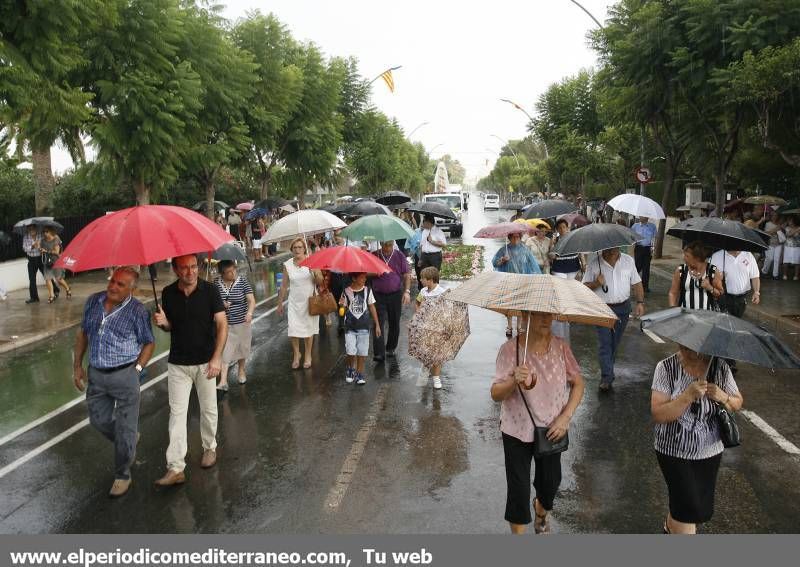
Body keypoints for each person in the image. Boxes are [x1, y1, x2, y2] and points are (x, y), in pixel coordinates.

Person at [490, 311, 585, 534]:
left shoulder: (561, 347)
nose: (545, 320)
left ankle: (541, 512)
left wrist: (565, 418)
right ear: (525, 316)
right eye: (539, 315)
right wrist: (514, 379)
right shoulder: (510, 350)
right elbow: (495, 393)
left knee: (549, 485)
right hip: (516, 430)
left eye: (549, 315)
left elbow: (579, 383)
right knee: (518, 491)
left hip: (552, 430)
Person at [72, 266, 155, 497]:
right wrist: (77, 366)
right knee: (98, 421)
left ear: (131, 289)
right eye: (112, 281)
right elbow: (83, 334)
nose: (113, 287)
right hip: (97, 375)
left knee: (126, 429)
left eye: (120, 284)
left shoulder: (137, 311)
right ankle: (128, 440)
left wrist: (137, 369)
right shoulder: (93, 301)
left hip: (125, 375)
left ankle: (122, 474)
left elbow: (149, 342)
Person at [153, 254, 228, 486]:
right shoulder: (167, 293)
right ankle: (175, 467)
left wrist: (216, 358)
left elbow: (222, 324)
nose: (190, 272)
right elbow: (173, 327)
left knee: (208, 409)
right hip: (178, 364)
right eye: (184, 268)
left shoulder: (209, 291)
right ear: (175, 269)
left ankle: (210, 447)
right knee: (177, 414)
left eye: (194, 267)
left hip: (206, 362)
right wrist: (164, 323)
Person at [651, 347, 742, 534]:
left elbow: (737, 403)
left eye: (694, 348)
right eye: (683, 345)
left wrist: (722, 396)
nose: (688, 351)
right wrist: (687, 396)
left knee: (695, 505)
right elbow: (659, 414)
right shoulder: (666, 368)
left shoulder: (719, 367)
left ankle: (670, 524)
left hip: (709, 451)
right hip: (672, 450)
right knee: (690, 510)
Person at [583, 247, 646, 392]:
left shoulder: (628, 261)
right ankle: (607, 377)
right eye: (609, 248)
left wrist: (640, 302)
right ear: (603, 248)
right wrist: (596, 284)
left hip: (623, 308)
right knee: (605, 343)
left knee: (614, 343)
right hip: (602, 309)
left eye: (616, 248)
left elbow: (637, 282)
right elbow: (584, 286)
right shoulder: (594, 263)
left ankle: (608, 368)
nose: (613, 251)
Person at [709, 248, 760, 374]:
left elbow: (755, 277)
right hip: (723, 298)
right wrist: (718, 277)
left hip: (741, 300)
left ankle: (721, 359)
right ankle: (729, 362)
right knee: (727, 328)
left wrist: (756, 292)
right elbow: (708, 276)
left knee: (733, 330)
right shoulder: (717, 256)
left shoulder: (748, 255)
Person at [276, 238, 323, 369]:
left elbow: (320, 282)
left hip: (310, 302)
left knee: (308, 330)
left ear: (304, 248)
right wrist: (279, 304)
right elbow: (284, 286)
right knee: (293, 329)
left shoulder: (312, 261)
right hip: (294, 303)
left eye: (300, 247)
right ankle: (297, 354)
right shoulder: (288, 264)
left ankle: (308, 354)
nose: (297, 250)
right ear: (292, 250)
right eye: (295, 247)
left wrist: (314, 272)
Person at [214, 260, 255, 398]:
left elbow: (251, 300)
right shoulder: (215, 283)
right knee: (225, 351)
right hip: (224, 324)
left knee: (242, 348)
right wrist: (220, 304)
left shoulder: (242, 281)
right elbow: (212, 301)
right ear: (222, 273)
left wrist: (249, 313)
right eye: (229, 272)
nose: (233, 273)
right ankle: (223, 381)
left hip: (242, 322)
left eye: (234, 270)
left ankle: (241, 370)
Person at [492, 233, 541, 337]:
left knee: (521, 303)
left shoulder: (525, 250)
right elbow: (494, 263)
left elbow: (532, 264)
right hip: (509, 281)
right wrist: (502, 260)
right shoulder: (503, 250)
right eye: (513, 237)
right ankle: (509, 326)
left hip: (523, 281)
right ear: (509, 238)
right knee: (509, 303)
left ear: (520, 237)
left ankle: (519, 326)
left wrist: (534, 276)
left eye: (517, 237)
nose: (515, 239)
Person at [371, 240, 412, 362]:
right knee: (378, 322)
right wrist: (374, 273)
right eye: (384, 245)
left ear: (392, 244)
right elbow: (365, 273)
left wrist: (407, 291)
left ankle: (390, 348)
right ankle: (379, 352)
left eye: (389, 245)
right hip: (378, 294)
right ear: (381, 244)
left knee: (394, 322)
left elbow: (406, 274)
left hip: (395, 294)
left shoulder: (399, 255)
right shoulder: (374, 255)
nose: (387, 248)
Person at [340, 272, 380, 385]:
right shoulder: (346, 291)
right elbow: (341, 310)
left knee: (362, 352)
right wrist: (342, 306)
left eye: (365, 277)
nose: (365, 279)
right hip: (350, 327)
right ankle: (350, 369)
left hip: (364, 327)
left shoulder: (368, 290)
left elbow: (372, 307)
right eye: (362, 277)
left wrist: (377, 324)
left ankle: (359, 373)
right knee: (350, 351)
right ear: (354, 278)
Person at [549, 219, 584, 343]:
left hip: (573, 267)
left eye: (564, 227)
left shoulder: (573, 239)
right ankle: (561, 313)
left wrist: (583, 264)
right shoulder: (555, 240)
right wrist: (553, 245)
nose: (563, 229)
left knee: (571, 292)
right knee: (561, 291)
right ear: (557, 229)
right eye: (560, 228)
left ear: (567, 227)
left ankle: (569, 313)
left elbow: (580, 252)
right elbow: (551, 256)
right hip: (559, 268)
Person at [415, 266, 447, 389]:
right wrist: (419, 314)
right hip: (425, 327)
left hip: (437, 327)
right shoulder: (423, 291)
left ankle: (436, 378)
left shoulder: (442, 292)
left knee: (437, 354)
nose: (420, 280)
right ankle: (426, 367)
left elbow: (445, 309)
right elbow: (417, 303)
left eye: (422, 278)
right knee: (426, 351)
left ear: (430, 279)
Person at [668, 241, 723, 310]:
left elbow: (720, 294)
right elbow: (673, 293)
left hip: (708, 316)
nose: (684, 258)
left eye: (687, 256)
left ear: (697, 258)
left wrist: (709, 287)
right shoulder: (681, 270)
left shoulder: (713, 271)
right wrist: (673, 309)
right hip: (685, 314)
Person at [22, 225, 58, 304]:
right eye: (30, 228)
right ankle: (34, 298)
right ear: (28, 229)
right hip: (31, 260)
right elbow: (24, 248)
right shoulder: (25, 237)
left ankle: (55, 290)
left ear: (36, 228)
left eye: (33, 228)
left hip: (40, 258)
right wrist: (32, 246)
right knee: (32, 279)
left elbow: (46, 244)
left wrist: (40, 246)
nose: (32, 230)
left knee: (47, 276)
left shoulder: (41, 235)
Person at [40, 227, 72, 302]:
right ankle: (51, 295)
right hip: (47, 262)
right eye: (43, 232)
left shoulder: (56, 239)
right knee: (47, 278)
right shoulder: (42, 241)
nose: (45, 233)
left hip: (56, 261)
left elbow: (57, 252)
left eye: (46, 231)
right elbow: (41, 250)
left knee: (59, 279)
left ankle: (67, 289)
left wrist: (46, 251)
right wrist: (41, 250)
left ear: (51, 231)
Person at [418, 215, 446, 289]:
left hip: (435, 256)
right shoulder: (424, 231)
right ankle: (424, 292)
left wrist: (432, 241)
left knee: (434, 275)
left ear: (428, 222)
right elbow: (422, 245)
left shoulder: (438, 231)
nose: (422, 224)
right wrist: (420, 258)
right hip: (424, 256)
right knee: (424, 274)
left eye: (424, 222)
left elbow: (443, 244)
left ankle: (435, 292)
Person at [631, 216, 657, 293]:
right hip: (638, 248)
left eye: (643, 215)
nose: (641, 217)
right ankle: (634, 282)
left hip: (647, 248)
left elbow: (654, 238)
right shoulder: (635, 226)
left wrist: (653, 248)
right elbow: (631, 237)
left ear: (647, 217)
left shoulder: (652, 226)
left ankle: (645, 286)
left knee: (646, 268)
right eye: (641, 215)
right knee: (637, 266)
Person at [761, 212, 784, 279]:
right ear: (771, 216)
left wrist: (779, 229)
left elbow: (783, 233)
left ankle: (775, 275)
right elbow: (766, 233)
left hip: (778, 243)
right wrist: (775, 230)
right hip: (770, 243)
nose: (774, 216)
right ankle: (764, 271)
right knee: (769, 258)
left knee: (777, 259)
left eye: (776, 215)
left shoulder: (780, 224)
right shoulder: (768, 224)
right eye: (773, 215)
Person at [781, 216, 800, 280]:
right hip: (788, 247)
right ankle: (784, 275)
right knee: (786, 261)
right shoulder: (787, 228)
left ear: (794, 221)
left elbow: (796, 236)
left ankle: (796, 276)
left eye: (790, 221)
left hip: (797, 247)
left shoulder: (798, 227)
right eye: (789, 221)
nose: (789, 222)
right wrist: (797, 230)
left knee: (797, 262)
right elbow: (789, 235)